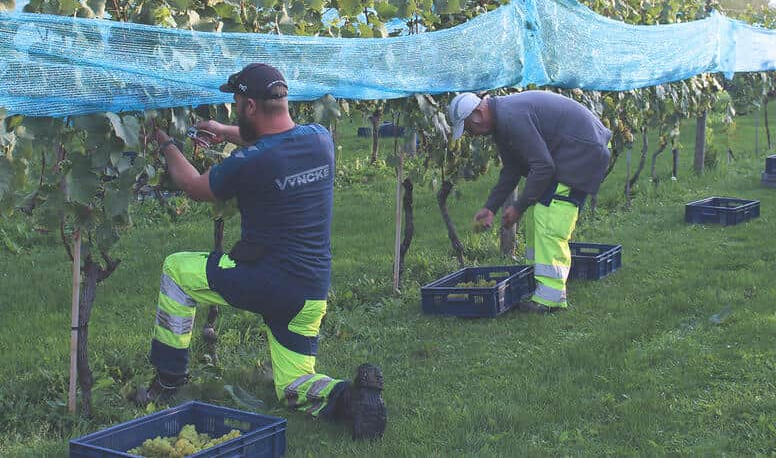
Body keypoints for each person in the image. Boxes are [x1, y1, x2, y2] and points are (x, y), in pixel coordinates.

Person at [137, 62, 386, 441]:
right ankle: (349, 398)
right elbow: (272, 141)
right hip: (310, 294)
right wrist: (224, 132)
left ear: (250, 106)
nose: (234, 111)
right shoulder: (319, 139)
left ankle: (168, 379)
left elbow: (193, 185)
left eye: (236, 104)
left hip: (266, 282)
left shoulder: (250, 162)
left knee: (177, 270)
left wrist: (164, 142)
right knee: (294, 385)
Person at [448, 90, 611, 313]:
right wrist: (490, 207)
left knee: (550, 218)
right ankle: (541, 282)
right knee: (537, 217)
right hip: (573, 148)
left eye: (468, 127)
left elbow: (543, 166)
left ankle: (551, 297)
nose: (471, 133)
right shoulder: (502, 121)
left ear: (478, 113)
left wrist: (518, 206)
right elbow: (512, 169)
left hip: (583, 151)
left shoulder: (511, 118)